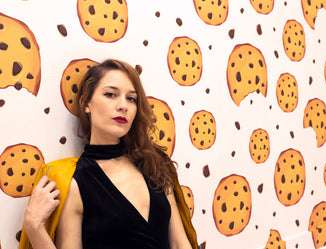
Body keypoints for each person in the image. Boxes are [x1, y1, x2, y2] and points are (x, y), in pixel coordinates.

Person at [19, 59, 198, 249]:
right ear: (86, 103)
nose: (123, 105)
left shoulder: (154, 164)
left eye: (131, 98)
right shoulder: (74, 182)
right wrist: (34, 227)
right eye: (111, 94)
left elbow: (180, 244)